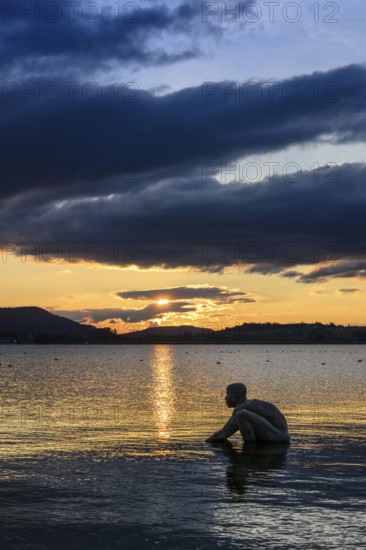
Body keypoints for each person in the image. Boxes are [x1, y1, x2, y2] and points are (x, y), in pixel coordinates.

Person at [206, 383, 290, 443]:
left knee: (241, 414)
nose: (225, 398)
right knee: (242, 414)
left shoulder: (242, 407)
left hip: (278, 437)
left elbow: (224, 433)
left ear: (236, 396)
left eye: (228, 395)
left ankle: (249, 449)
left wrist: (206, 443)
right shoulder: (250, 404)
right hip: (282, 435)